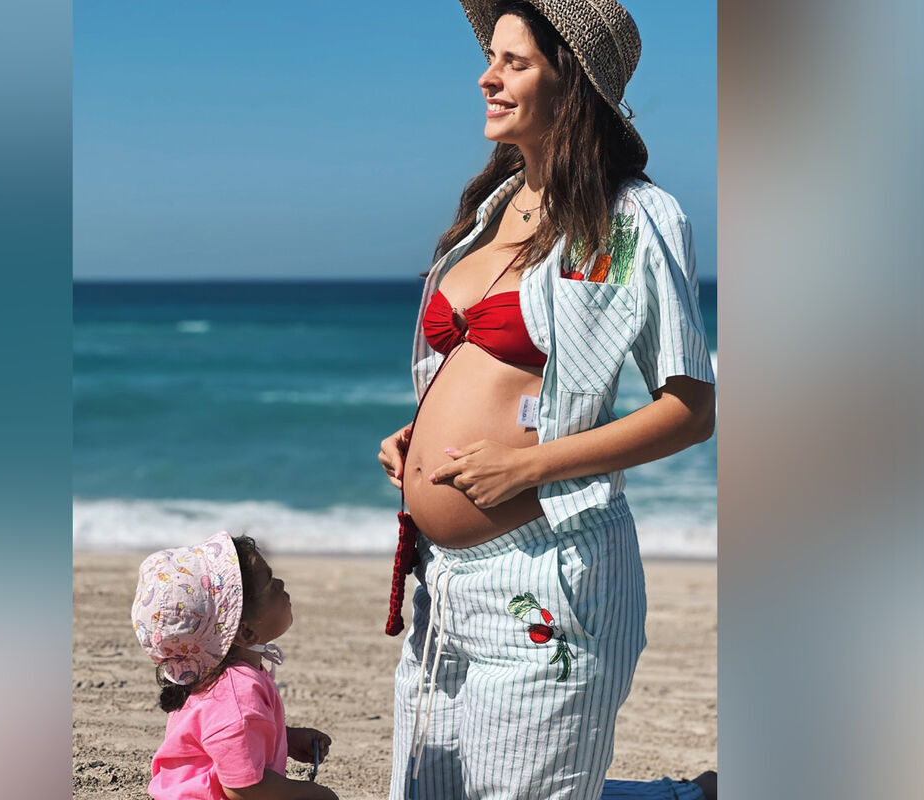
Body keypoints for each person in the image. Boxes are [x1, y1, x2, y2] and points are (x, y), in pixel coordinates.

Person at [376, 2, 717, 798]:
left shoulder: (628, 220)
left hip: (547, 577)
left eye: (514, 62)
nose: (486, 78)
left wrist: (526, 466)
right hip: (442, 584)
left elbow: (691, 408)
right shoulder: (491, 210)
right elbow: (486, 372)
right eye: (491, 58)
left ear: (573, 81)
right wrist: (418, 434)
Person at [131, 532, 338, 800]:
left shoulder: (212, 675)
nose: (281, 584)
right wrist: (313, 793)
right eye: (270, 584)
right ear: (245, 632)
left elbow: (227, 736)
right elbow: (243, 786)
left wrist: (284, 738)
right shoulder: (236, 693)